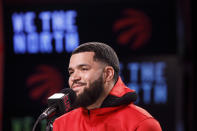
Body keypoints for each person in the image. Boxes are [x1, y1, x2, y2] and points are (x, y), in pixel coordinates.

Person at [53, 42, 162, 131]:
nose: (74, 77)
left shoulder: (141, 124)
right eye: (71, 72)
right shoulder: (61, 125)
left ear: (108, 74)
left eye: (84, 69)